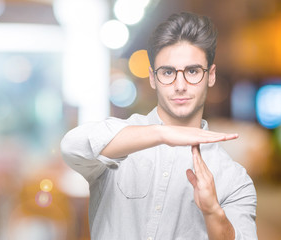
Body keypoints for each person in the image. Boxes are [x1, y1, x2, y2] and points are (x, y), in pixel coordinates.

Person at [60, 12, 257, 240]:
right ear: (153, 78)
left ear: (210, 75)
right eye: (168, 72)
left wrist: (213, 212)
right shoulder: (121, 141)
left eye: (192, 71)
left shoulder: (233, 178)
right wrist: (162, 133)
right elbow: (71, 147)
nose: (180, 85)